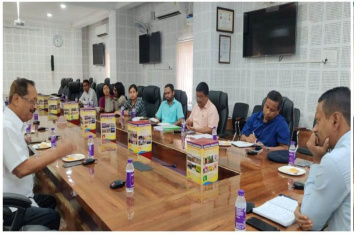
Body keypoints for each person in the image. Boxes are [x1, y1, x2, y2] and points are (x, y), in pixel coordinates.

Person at [3, 78, 76, 230]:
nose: (35, 106)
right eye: (32, 101)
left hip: (19, 195)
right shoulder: (5, 128)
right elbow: (22, 169)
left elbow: (22, 160)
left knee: (50, 201)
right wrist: (58, 151)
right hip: (10, 205)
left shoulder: (12, 125)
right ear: (16, 99)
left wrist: (54, 150)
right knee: (53, 216)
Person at [294, 87, 350, 231]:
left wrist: (317, 160)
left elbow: (310, 221)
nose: (314, 129)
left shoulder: (336, 160)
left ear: (335, 120)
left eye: (318, 121)